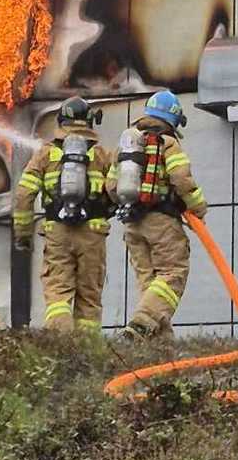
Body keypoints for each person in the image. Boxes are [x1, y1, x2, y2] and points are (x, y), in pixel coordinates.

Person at [12, 96, 114, 334]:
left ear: (61, 121)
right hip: (93, 232)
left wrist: (23, 234)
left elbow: (23, 194)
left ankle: (61, 346)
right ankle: (87, 354)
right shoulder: (102, 155)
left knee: (58, 293)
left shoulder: (45, 154)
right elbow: (117, 190)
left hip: (57, 232)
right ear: (90, 122)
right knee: (89, 297)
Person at [115, 89, 208, 335]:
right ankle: (141, 322)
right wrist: (198, 207)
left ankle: (157, 341)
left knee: (150, 280)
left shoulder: (130, 144)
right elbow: (181, 177)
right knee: (172, 273)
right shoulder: (168, 143)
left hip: (132, 222)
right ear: (173, 119)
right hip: (161, 220)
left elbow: (111, 186)